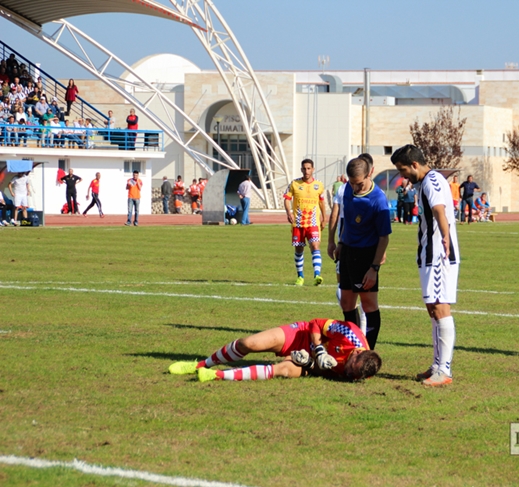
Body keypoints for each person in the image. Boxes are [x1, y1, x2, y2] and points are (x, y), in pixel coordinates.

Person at [391, 145, 460, 387]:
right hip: (428, 253)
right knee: (433, 309)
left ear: (414, 165)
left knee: (440, 309)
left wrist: (444, 238)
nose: (403, 175)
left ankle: (445, 370)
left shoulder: (432, 181)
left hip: (439, 254)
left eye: (403, 170)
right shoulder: (426, 182)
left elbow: (439, 210)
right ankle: (437, 365)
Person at [167, 318, 381, 383]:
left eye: (351, 373)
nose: (347, 370)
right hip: (303, 335)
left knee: (281, 369)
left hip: (308, 361)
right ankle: (200, 364)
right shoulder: (350, 333)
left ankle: (216, 375)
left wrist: (308, 363)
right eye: (350, 365)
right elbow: (316, 323)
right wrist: (318, 350)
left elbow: (331, 374)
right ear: (357, 352)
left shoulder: (360, 371)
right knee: (248, 343)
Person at [333, 157, 391, 349]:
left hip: (366, 256)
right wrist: (341, 242)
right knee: (347, 303)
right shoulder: (348, 189)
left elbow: (384, 237)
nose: (354, 187)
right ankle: (354, 346)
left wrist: (374, 267)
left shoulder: (378, 200)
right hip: (348, 251)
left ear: (369, 173)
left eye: (359, 184)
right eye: (351, 183)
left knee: (369, 305)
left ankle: (368, 352)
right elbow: (347, 221)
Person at [284, 159, 327, 286]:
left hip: (313, 223)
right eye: (304, 168)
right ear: (301, 169)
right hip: (298, 223)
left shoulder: (319, 185)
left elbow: (321, 202)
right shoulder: (294, 184)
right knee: (299, 249)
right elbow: (287, 199)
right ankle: (300, 277)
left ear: (313, 169)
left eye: (309, 168)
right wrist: (289, 212)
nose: (306, 171)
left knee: (315, 246)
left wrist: (324, 218)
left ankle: (317, 275)